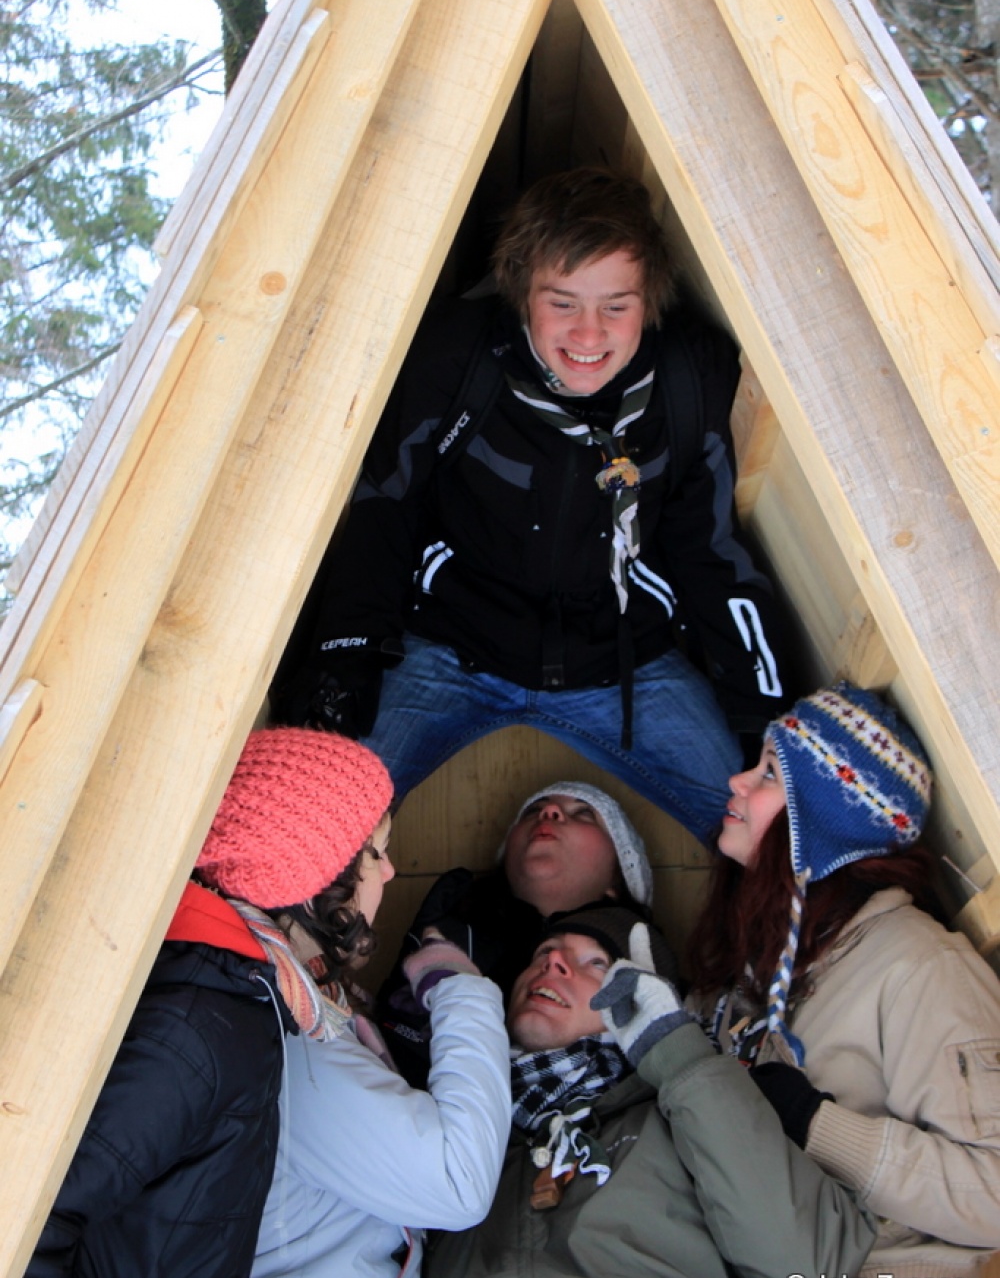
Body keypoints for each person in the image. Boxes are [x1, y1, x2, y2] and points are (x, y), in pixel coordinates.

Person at [273, 167, 789, 841]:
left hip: (626, 663)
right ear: (521, 293)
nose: (588, 333)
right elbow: (384, 507)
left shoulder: (687, 381)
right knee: (306, 834)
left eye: (617, 304)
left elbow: (712, 552)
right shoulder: (459, 356)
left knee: (773, 841)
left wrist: (767, 722)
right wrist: (343, 659)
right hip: (449, 649)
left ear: (651, 300)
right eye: (563, 301)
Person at [6, 727, 392, 1278]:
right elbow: (17, 1239)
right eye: (374, 853)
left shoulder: (239, 991)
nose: (391, 872)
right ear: (310, 873)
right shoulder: (195, 1031)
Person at [686, 683, 1000, 1278]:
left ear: (819, 824)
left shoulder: (918, 967)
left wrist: (816, 1125)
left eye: (769, 774)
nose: (737, 781)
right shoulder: (753, 968)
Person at [424, 904, 876, 1278]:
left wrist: (675, 1053)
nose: (554, 962)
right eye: (545, 952)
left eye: (596, 963)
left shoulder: (686, 1117)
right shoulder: (460, 1131)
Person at [235, 753, 511, 1278]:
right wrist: (460, 989)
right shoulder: (287, 1036)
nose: (388, 872)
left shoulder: (289, 995)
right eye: (373, 854)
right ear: (316, 882)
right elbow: (458, 1182)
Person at [376, 780, 676, 1085]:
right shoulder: (453, 935)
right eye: (533, 811)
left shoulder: (646, 963)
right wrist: (409, 1022)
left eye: (584, 814)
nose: (550, 811)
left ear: (619, 875)